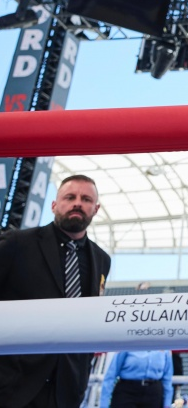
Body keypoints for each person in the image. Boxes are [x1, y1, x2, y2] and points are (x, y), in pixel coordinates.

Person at [0, 174, 111, 408]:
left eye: (86, 199)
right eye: (70, 197)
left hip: (66, 391)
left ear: (96, 208)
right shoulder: (16, 243)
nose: (77, 203)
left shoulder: (101, 259)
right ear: (54, 205)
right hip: (12, 386)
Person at [99, 351, 174, 408]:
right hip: (127, 391)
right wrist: (104, 405)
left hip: (154, 393)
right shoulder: (128, 345)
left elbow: (167, 379)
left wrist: (167, 404)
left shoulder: (164, 349)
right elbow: (111, 376)